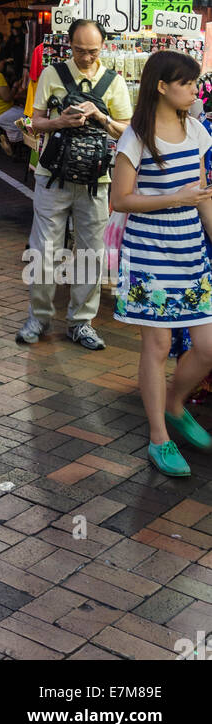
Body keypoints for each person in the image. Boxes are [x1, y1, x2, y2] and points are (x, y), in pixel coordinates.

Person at [110, 50, 212, 477]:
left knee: (207, 348)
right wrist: (178, 199)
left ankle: (174, 403)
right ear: (162, 86)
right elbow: (120, 200)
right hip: (149, 253)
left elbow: (203, 197)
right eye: (187, 83)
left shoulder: (198, 132)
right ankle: (159, 436)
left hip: (191, 252)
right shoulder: (135, 137)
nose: (195, 89)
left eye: (195, 82)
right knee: (158, 346)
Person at [17, 18, 132, 350]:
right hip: (53, 176)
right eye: (80, 50)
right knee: (43, 249)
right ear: (69, 45)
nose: (86, 57)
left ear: (103, 47)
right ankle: (38, 316)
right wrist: (60, 122)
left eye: (92, 51)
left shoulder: (115, 82)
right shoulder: (52, 74)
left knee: (91, 253)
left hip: (97, 180)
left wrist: (101, 117)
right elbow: (33, 122)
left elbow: (128, 130)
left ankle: (82, 321)